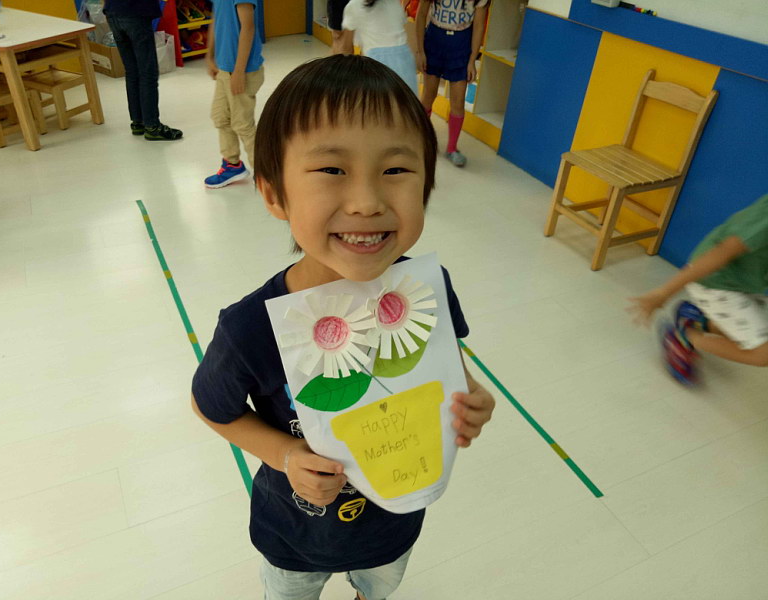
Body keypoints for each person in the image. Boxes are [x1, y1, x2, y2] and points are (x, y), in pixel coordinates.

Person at [191, 55, 496, 600]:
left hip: (394, 524)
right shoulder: (250, 328)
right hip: (294, 534)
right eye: (332, 170)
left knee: (377, 588)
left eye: (396, 170)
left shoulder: (426, 289)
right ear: (274, 194)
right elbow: (211, 407)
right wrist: (285, 456)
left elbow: (443, 358)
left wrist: (469, 393)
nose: (367, 202)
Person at [629, 193, 768, 383]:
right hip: (715, 282)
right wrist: (664, 292)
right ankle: (683, 336)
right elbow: (722, 252)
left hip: (746, 282)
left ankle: (697, 319)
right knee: (762, 354)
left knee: (750, 333)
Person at [415, 0, 489, 168]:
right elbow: (421, 15)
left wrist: (472, 60)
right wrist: (420, 51)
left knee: (458, 101)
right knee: (428, 95)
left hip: (461, 46)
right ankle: (420, 141)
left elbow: (479, 27)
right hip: (434, 40)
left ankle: (452, 148)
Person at [204, 0, 264, 188]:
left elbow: (248, 27)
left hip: (242, 70)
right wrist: (210, 55)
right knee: (220, 117)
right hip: (225, 68)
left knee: (242, 124)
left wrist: (239, 71)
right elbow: (216, 20)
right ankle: (232, 165)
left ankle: (266, 175)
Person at [103, 0, 183, 141]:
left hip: (113, 12)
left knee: (132, 71)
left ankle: (138, 122)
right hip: (136, 12)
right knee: (147, 72)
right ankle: (152, 126)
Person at [342, 0, 418, 93]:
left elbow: (346, 49)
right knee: (407, 100)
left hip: (377, 65)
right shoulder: (393, 3)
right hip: (404, 61)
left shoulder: (355, 5)